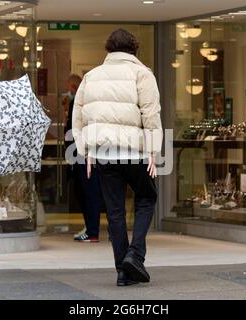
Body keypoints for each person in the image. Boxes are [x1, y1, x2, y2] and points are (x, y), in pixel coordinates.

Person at [72, 29, 163, 286]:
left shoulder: (91, 76)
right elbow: (151, 115)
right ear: (134, 48)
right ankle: (135, 255)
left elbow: (79, 118)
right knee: (147, 198)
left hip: (103, 153)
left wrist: (86, 151)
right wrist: (153, 152)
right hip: (134, 152)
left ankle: (123, 271)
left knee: (114, 212)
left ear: (108, 49)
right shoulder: (142, 74)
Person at [64, 74, 102, 242]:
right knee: (88, 191)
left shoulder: (80, 103)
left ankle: (92, 230)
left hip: (83, 152)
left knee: (88, 191)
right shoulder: (90, 103)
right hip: (86, 151)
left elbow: (74, 128)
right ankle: (91, 227)